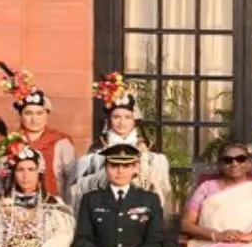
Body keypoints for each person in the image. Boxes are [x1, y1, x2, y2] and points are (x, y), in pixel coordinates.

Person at [70, 72, 174, 216]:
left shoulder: (148, 150)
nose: (121, 122)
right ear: (109, 120)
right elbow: (80, 187)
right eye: (116, 117)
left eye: (127, 117)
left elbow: (160, 188)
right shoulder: (98, 148)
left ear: (134, 120)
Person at [0, 62, 77, 199]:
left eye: (39, 114)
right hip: (15, 206)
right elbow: (0, 178)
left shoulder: (61, 142)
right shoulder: (10, 142)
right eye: (29, 114)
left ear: (47, 115)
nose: (34, 119)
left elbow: (72, 180)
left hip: (54, 204)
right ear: (20, 116)